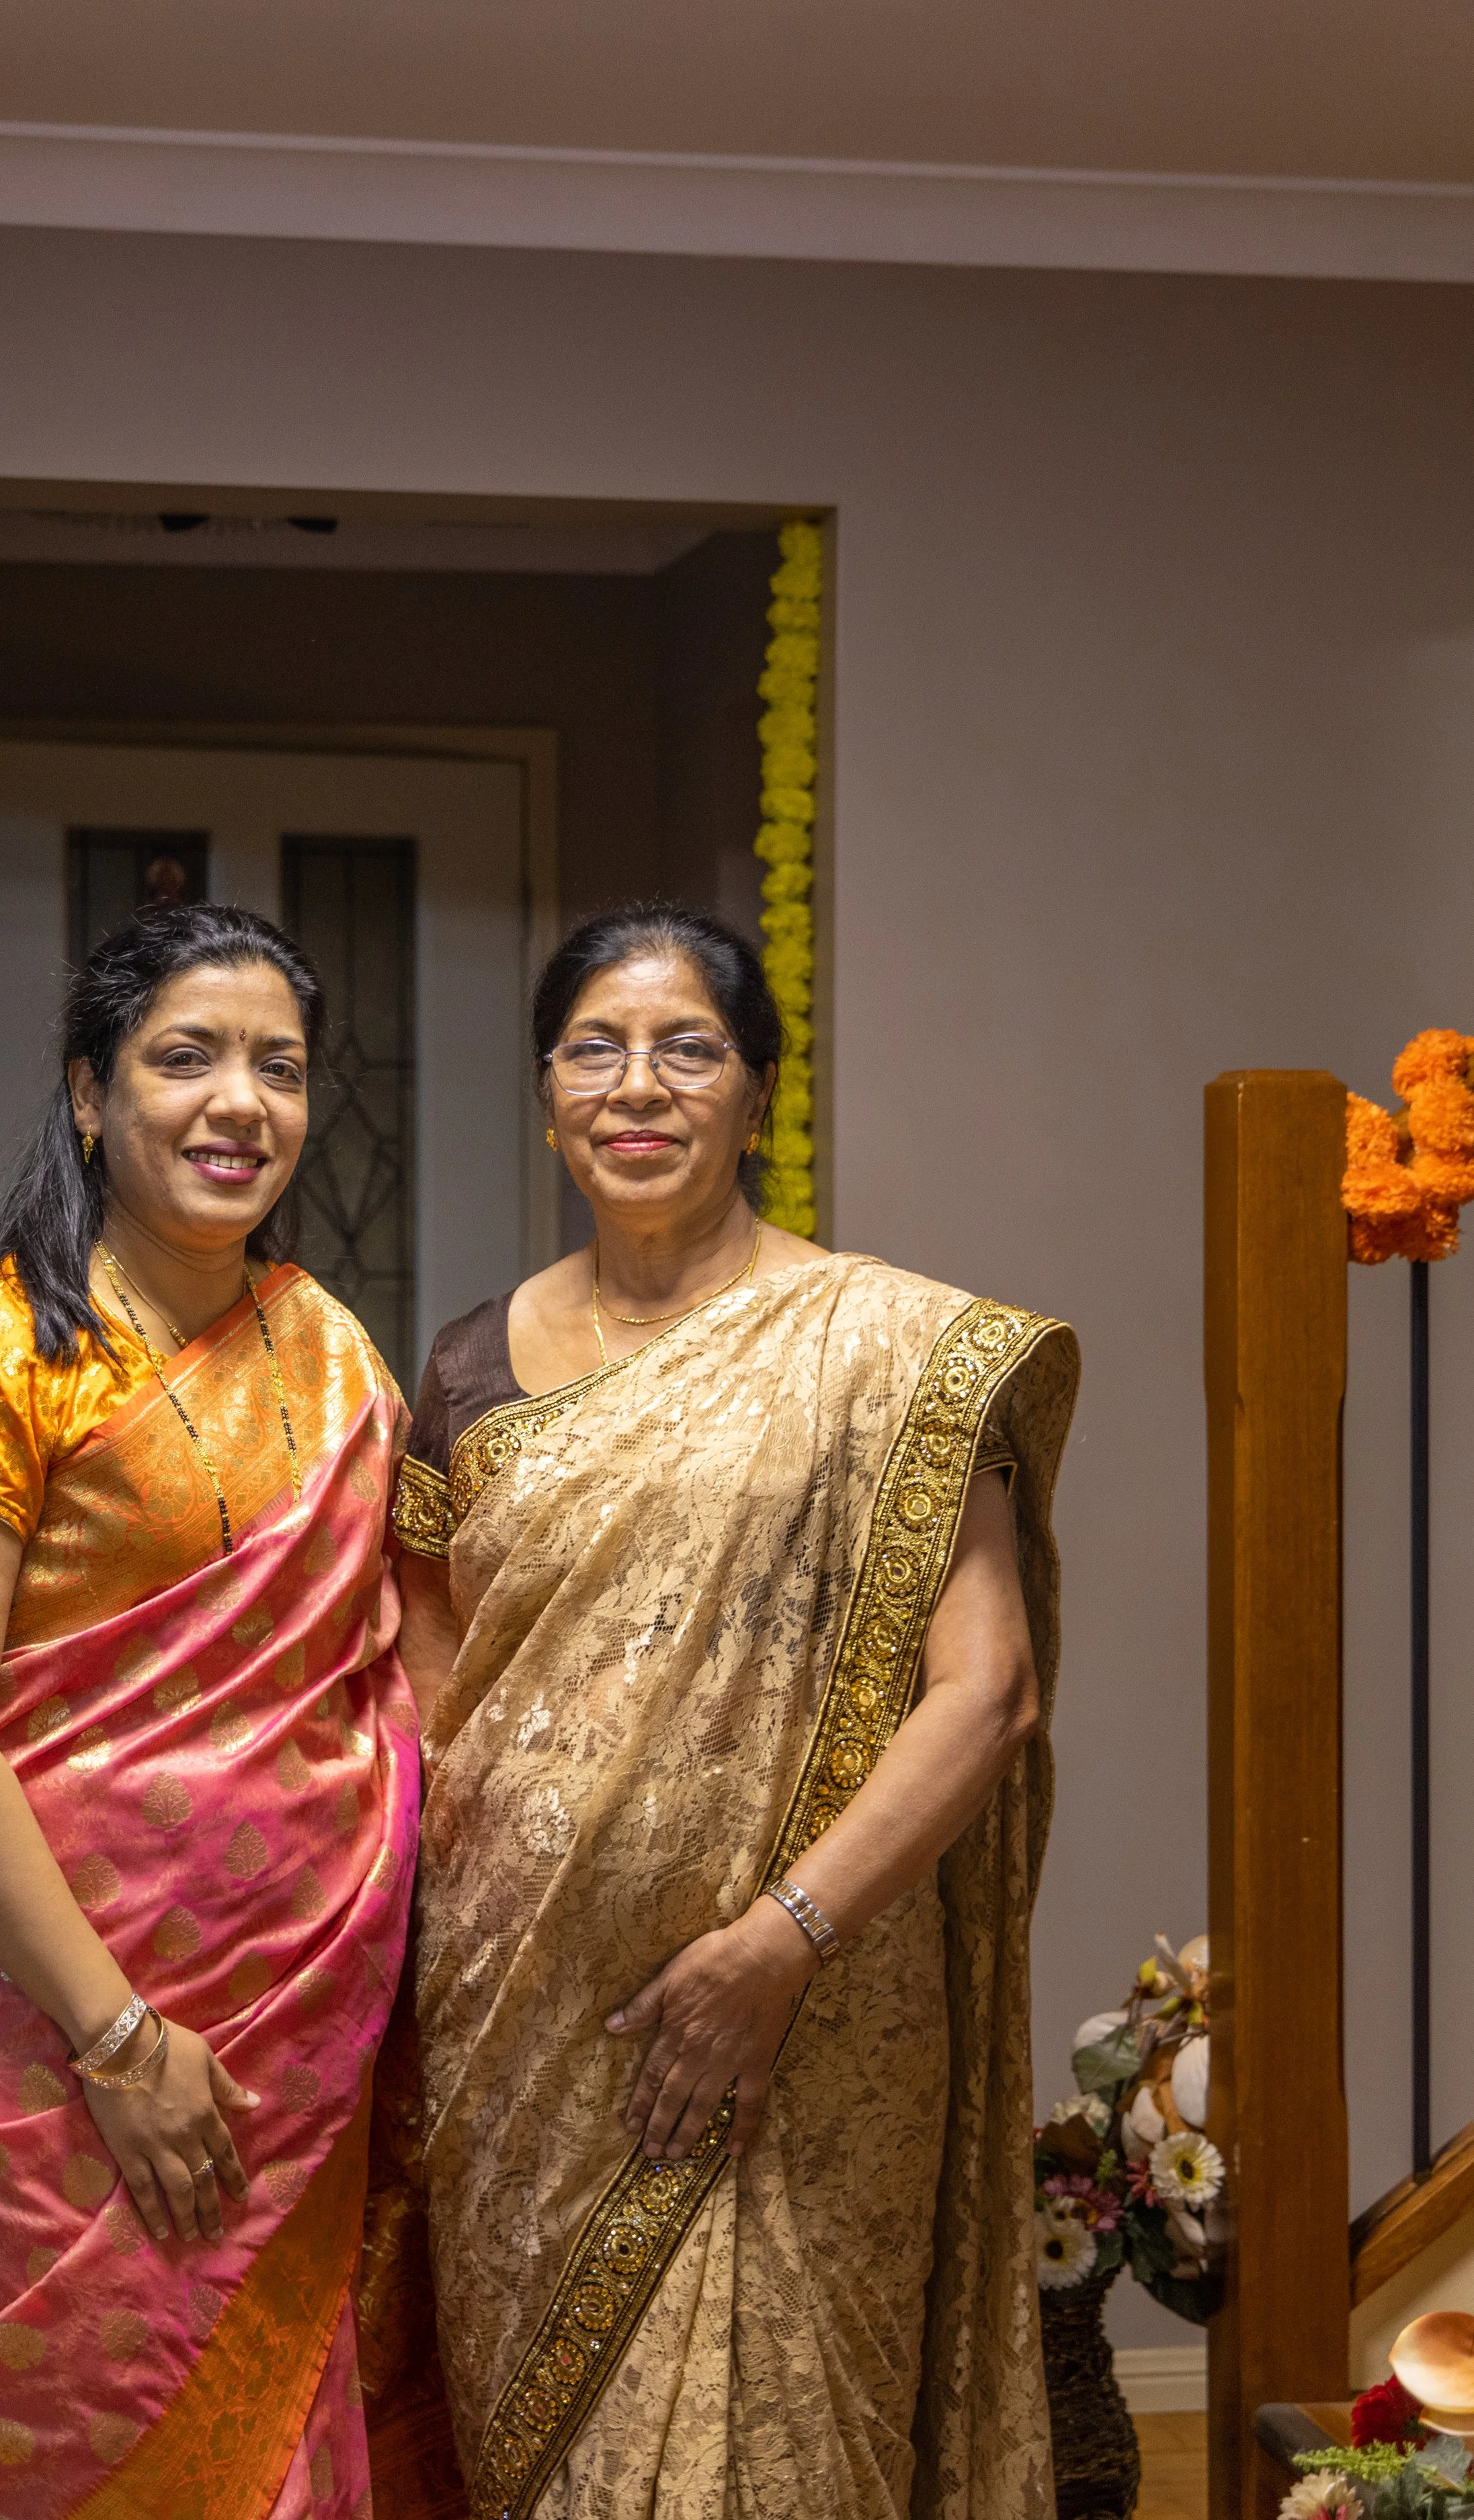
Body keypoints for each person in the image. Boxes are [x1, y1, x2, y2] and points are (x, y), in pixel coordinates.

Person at [385, 905, 1079, 2520]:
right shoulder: (465, 1364)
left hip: (816, 2032)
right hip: (528, 2052)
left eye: (687, 1047)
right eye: (595, 1050)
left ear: (756, 1093)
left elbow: (987, 1693)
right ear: (547, 1092)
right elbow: (427, 1703)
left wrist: (778, 1946)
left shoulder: (887, 1349)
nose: (639, 1087)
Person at [0, 905, 418, 2520]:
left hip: (280, 2050)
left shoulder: (335, 1355)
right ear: (93, 1095)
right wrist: (115, 2038)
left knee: (265, 2451)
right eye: (187, 1058)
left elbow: (382, 1666)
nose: (241, 1101)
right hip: (23, 2049)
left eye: (281, 1068)